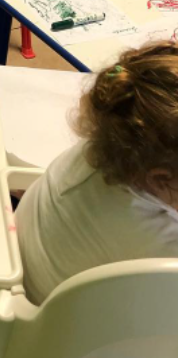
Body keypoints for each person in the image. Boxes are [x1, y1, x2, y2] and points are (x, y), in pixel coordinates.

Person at [16, 42, 178, 305]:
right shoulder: (161, 243)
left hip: (33, 294)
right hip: (67, 337)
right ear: (160, 178)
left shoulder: (103, 150)